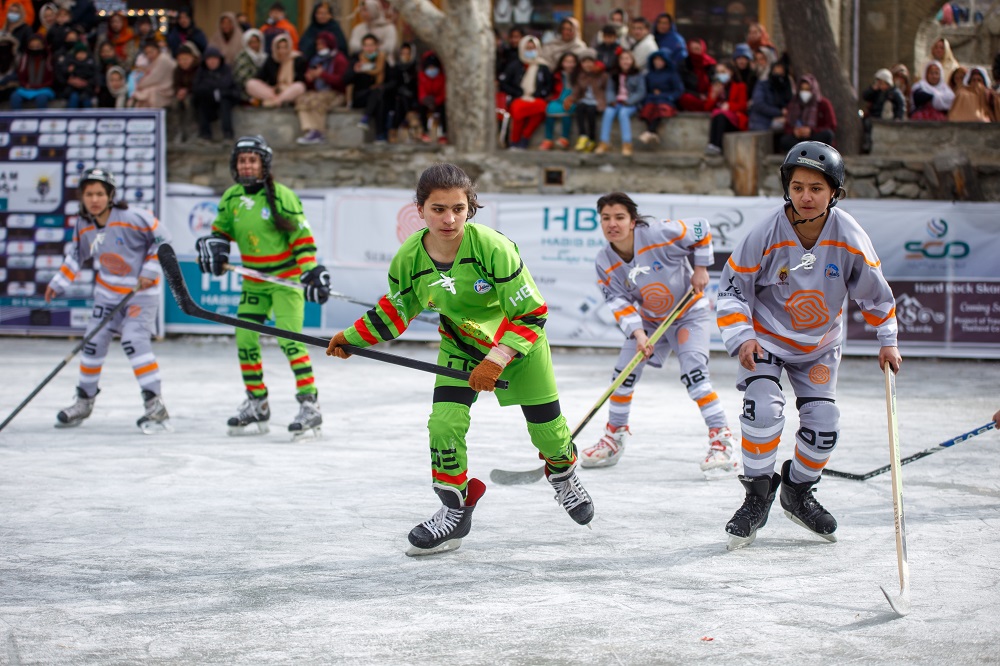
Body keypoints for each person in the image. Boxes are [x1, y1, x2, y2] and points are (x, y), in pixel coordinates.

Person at [325, 163, 596, 556]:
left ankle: (563, 475)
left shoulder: (493, 248)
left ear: (470, 208)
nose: (449, 219)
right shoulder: (409, 259)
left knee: (550, 435)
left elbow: (532, 314)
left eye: (458, 208)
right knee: (443, 427)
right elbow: (395, 311)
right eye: (438, 209)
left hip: (520, 349)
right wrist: (350, 338)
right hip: (462, 347)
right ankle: (455, 508)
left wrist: (499, 357)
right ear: (420, 209)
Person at [716, 141, 901, 550]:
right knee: (762, 408)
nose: (805, 196)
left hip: (819, 347)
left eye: (816, 188)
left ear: (834, 192)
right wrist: (742, 336)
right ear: (788, 188)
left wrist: (887, 340)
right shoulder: (766, 232)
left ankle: (797, 491)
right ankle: (757, 497)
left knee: (824, 428)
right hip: (766, 340)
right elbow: (730, 289)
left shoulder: (850, 235)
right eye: (798, 186)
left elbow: (876, 295)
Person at [585, 192, 738, 475]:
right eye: (606, 218)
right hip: (651, 322)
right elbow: (618, 302)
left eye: (619, 217)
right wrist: (639, 334)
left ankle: (722, 441)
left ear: (632, 221)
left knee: (695, 376)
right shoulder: (604, 261)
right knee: (622, 376)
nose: (612, 224)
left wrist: (702, 268)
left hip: (688, 314)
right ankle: (614, 437)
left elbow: (700, 227)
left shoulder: (657, 234)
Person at [195, 136, 331, 439]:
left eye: (252, 160)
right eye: (242, 160)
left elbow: (302, 241)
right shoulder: (231, 198)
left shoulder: (282, 196)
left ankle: (310, 404)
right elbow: (220, 233)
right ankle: (257, 402)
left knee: (290, 341)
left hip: (285, 281)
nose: (246, 165)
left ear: (263, 164)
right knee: (244, 338)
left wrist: (310, 272)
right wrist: (215, 250)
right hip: (254, 282)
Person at [44, 168, 172, 433]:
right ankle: (83, 402)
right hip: (108, 295)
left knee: (134, 341)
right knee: (91, 343)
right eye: (89, 194)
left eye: (100, 193)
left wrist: (150, 270)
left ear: (110, 195)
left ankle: (155, 405)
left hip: (140, 295)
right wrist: (58, 283)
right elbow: (77, 255)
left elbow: (163, 240)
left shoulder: (134, 217)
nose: (94, 199)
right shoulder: (84, 224)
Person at [294, 30, 349, 145]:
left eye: (322, 44)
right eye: (318, 44)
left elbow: (341, 81)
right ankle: (310, 130)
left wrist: (322, 75)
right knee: (302, 99)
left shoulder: (339, 59)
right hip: (318, 91)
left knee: (317, 101)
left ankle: (319, 132)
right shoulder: (315, 59)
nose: (320, 47)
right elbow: (311, 83)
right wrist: (310, 78)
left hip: (336, 93)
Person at [499, 35, 551, 150]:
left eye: (533, 48)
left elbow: (548, 84)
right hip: (519, 98)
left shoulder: (543, 66)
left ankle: (525, 137)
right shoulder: (514, 65)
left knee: (541, 108)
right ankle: (515, 141)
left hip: (536, 98)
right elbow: (504, 84)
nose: (530, 51)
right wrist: (517, 92)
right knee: (518, 110)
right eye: (528, 48)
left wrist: (540, 93)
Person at [596, 49, 644, 156]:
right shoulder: (613, 74)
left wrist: (629, 101)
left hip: (631, 103)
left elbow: (641, 92)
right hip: (616, 101)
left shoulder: (638, 74)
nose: (625, 62)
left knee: (623, 113)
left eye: (628, 59)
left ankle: (627, 143)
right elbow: (609, 90)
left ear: (632, 60)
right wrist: (611, 100)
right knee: (608, 112)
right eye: (622, 59)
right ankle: (604, 142)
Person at [245, 32, 307, 108]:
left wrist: (284, 87)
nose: (282, 51)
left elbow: (300, 80)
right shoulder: (271, 60)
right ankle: (277, 100)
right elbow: (260, 77)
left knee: (299, 87)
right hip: (273, 91)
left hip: (289, 90)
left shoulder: (297, 59)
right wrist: (274, 88)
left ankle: (276, 101)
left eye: (285, 47)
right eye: (279, 48)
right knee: (250, 84)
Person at [777, 74, 837, 153]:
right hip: (798, 139)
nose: (804, 92)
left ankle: (807, 151)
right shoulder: (793, 104)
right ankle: (804, 151)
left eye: (807, 89)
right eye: (802, 89)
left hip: (815, 137)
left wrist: (811, 131)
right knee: (784, 140)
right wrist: (794, 132)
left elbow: (831, 125)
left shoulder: (823, 104)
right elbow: (787, 126)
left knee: (828, 135)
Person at [702, 60, 749, 155]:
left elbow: (743, 106)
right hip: (719, 117)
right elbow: (707, 108)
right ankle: (712, 144)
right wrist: (714, 96)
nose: (720, 75)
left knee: (720, 115)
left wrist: (730, 106)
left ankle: (716, 145)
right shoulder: (715, 86)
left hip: (734, 119)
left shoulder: (740, 86)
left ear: (731, 72)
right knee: (717, 114)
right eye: (718, 72)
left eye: (723, 72)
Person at [192, 46, 238, 141]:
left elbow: (228, 84)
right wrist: (213, 90)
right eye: (209, 59)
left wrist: (214, 89)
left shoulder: (226, 69)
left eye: (215, 59)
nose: (212, 62)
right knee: (202, 104)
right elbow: (197, 88)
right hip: (207, 100)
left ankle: (228, 135)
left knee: (225, 104)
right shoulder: (201, 71)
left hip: (225, 98)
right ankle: (205, 135)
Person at [637, 49, 682, 145]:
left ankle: (649, 132)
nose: (658, 62)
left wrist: (667, 96)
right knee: (647, 109)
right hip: (651, 99)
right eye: (656, 60)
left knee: (661, 109)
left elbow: (678, 90)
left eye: (660, 60)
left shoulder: (672, 74)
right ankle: (652, 133)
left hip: (666, 100)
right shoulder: (649, 75)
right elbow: (645, 90)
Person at [567, 50, 606, 152]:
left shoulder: (601, 74)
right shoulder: (581, 75)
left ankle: (592, 139)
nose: (587, 65)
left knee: (591, 111)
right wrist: (571, 99)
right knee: (579, 108)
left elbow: (605, 88)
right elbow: (577, 90)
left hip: (597, 101)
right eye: (584, 62)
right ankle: (583, 135)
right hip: (584, 99)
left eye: (590, 62)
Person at [861, 68, 907, 153]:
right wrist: (873, 88)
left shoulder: (894, 92)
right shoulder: (877, 92)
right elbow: (865, 96)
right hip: (874, 116)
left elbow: (901, 105)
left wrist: (898, 117)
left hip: (888, 117)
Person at [539, 51, 578, 150]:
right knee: (550, 108)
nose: (569, 64)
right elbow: (553, 88)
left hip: (573, 99)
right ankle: (548, 139)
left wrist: (572, 98)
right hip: (558, 98)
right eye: (566, 61)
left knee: (566, 111)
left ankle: (565, 138)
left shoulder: (578, 75)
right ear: (562, 63)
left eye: (572, 62)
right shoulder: (557, 75)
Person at [748, 55, 792, 132]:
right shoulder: (762, 85)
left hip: (782, 121)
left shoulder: (786, 87)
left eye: (781, 73)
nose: (778, 75)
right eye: (776, 72)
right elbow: (759, 104)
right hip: (761, 122)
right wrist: (779, 112)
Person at [10, 33, 54, 110]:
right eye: (32, 46)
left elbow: (52, 79)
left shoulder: (49, 59)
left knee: (41, 98)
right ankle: (17, 120)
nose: (35, 49)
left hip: (43, 89)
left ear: (43, 46)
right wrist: (26, 85)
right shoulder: (24, 59)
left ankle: (41, 120)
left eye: (37, 46)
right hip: (27, 88)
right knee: (15, 97)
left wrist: (38, 86)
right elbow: (20, 77)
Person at [129, 38, 175, 109]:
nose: (149, 55)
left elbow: (155, 77)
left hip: (167, 88)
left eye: (151, 52)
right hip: (159, 86)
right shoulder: (155, 60)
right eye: (147, 53)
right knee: (146, 92)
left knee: (149, 92)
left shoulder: (163, 59)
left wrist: (141, 85)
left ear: (157, 50)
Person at [171, 42, 201, 140]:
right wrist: (178, 91)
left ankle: (192, 131)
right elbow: (175, 84)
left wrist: (187, 91)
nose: (183, 62)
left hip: (195, 95)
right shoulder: (177, 70)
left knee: (189, 103)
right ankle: (178, 131)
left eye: (186, 59)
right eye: (180, 59)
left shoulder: (198, 68)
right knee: (174, 103)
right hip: (182, 94)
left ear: (192, 58)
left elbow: (199, 84)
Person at [416, 49, 446, 144]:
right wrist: (425, 100)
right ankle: (424, 132)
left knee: (444, 110)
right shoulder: (422, 76)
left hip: (439, 101)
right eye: (430, 67)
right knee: (421, 108)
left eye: (434, 67)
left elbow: (444, 93)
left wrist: (436, 101)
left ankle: (444, 134)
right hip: (427, 101)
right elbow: (421, 92)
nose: (432, 70)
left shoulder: (442, 77)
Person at [678, 38, 716, 111]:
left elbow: (714, 81)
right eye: (692, 49)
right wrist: (698, 95)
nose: (695, 52)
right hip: (693, 96)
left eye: (697, 49)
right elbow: (681, 86)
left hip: (709, 96)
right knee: (685, 98)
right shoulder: (684, 65)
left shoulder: (710, 64)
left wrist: (708, 95)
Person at [57, 41, 97, 108]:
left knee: (86, 99)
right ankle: (71, 117)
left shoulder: (91, 64)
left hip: (87, 89)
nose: (81, 55)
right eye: (79, 53)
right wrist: (69, 73)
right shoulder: (70, 63)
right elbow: (62, 75)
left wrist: (86, 82)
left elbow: (95, 76)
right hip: (72, 89)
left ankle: (89, 117)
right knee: (73, 97)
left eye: (83, 53)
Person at [233, 28, 268, 103]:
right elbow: (242, 78)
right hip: (246, 91)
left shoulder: (265, 57)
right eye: (251, 42)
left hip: (265, 88)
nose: (254, 45)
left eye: (256, 42)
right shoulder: (242, 56)